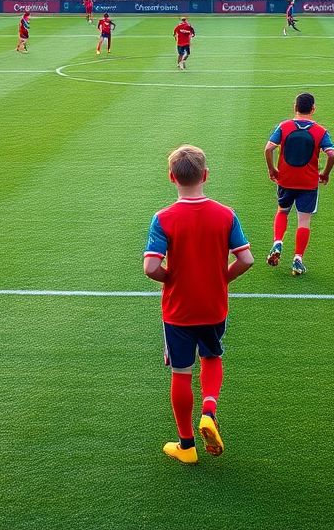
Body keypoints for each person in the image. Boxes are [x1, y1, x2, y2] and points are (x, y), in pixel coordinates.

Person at [143, 145, 254, 465]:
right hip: (213, 306)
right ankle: (208, 411)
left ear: (171, 177)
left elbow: (151, 267)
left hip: (178, 310)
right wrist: (222, 280)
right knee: (212, 356)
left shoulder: (163, 218)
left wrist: (170, 279)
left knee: (181, 372)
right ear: (205, 175)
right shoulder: (226, 214)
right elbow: (246, 259)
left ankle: (187, 446)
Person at [264, 92, 334, 276]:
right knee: (304, 220)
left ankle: (277, 242)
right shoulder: (320, 131)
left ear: (295, 107)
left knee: (282, 211)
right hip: (308, 183)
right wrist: (325, 173)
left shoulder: (284, 126)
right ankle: (298, 259)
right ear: (313, 109)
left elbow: (269, 148)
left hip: (286, 180)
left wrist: (272, 169)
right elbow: (332, 154)